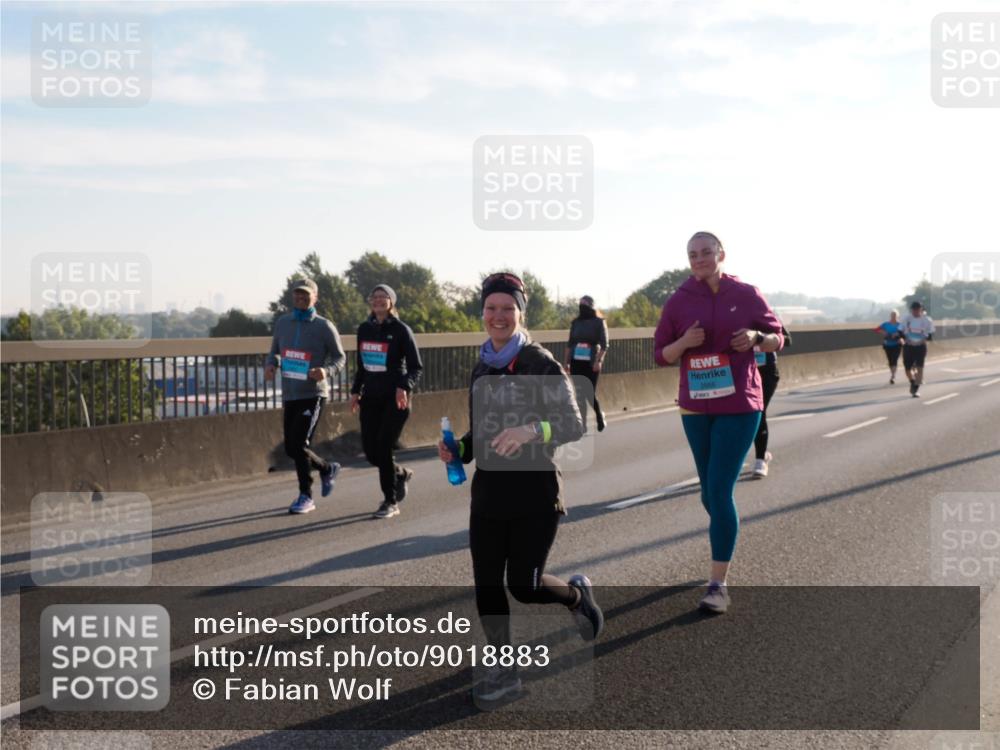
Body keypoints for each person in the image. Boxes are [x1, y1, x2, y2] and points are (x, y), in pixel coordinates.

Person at [437, 272, 604, 705]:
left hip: (535, 495)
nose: (498, 316)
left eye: (507, 309)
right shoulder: (481, 366)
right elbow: (481, 436)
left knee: (524, 586)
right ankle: (503, 665)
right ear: (482, 313)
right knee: (487, 584)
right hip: (489, 494)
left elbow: (573, 424)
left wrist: (532, 429)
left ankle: (575, 596)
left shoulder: (540, 362)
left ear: (519, 312)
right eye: (491, 308)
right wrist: (458, 449)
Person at [653, 232, 784, 613]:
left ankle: (717, 584)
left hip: (740, 404)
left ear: (721, 254)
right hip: (695, 407)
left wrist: (757, 338)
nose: (699, 259)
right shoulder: (678, 301)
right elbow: (661, 355)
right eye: (692, 254)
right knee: (709, 494)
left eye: (706, 252)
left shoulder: (746, 294)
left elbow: (780, 338)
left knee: (720, 489)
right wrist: (685, 343)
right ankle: (725, 536)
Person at [265, 278, 346, 514]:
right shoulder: (283, 323)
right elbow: (275, 353)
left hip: (313, 394)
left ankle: (305, 495)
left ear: (315, 298)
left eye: (306, 295)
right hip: (290, 394)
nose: (301, 298)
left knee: (298, 444)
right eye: (297, 295)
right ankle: (326, 468)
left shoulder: (324, 326)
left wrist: (325, 371)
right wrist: (271, 364)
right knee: (291, 448)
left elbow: (340, 358)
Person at [350, 284, 423, 519]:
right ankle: (399, 474)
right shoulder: (364, 329)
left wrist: (404, 386)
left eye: (384, 297)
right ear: (371, 302)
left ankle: (390, 501)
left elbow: (415, 367)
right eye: (375, 297)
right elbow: (362, 365)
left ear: (391, 302)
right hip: (370, 397)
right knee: (371, 452)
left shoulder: (401, 330)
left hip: (395, 399)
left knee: (383, 446)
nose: (379, 300)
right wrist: (355, 391)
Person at [564, 295, 609, 432]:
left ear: (591, 306)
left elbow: (604, 345)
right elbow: (570, 344)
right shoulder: (576, 323)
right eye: (580, 304)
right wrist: (566, 363)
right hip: (576, 361)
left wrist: (598, 360)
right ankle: (582, 425)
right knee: (579, 394)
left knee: (589, 393)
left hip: (591, 362)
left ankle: (599, 417)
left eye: (585, 304)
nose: (582, 307)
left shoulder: (599, 322)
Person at [751, 324, 791, 478]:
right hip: (742, 372)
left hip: (766, 372)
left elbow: (787, 340)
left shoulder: (765, 316)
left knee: (759, 411)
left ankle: (760, 459)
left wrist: (762, 339)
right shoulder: (733, 314)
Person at [900, 300, 934, 397]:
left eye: (918, 309)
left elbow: (930, 335)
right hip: (908, 346)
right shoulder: (906, 319)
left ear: (922, 309)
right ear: (911, 310)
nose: (916, 311)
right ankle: (912, 381)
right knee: (907, 369)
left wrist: (923, 339)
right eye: (914, 310)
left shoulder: (927, 320)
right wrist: (903, 338)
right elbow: (900, 331)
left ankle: (915, 389)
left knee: (920, 368)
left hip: (920, 347)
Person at [874, 310, 904, 384]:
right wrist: (884, 332)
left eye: (895, 315)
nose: (893, 317)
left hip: (897, 344)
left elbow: (905, 332)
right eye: (892, 315)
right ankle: (892, 373)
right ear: (890, 316)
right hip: (888, 344)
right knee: (890, 360)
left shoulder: (900, 325)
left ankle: (893, 376)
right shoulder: (886, 324)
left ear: (898, 316)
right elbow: (876, 330)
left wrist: (897, 335)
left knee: (894, 359)